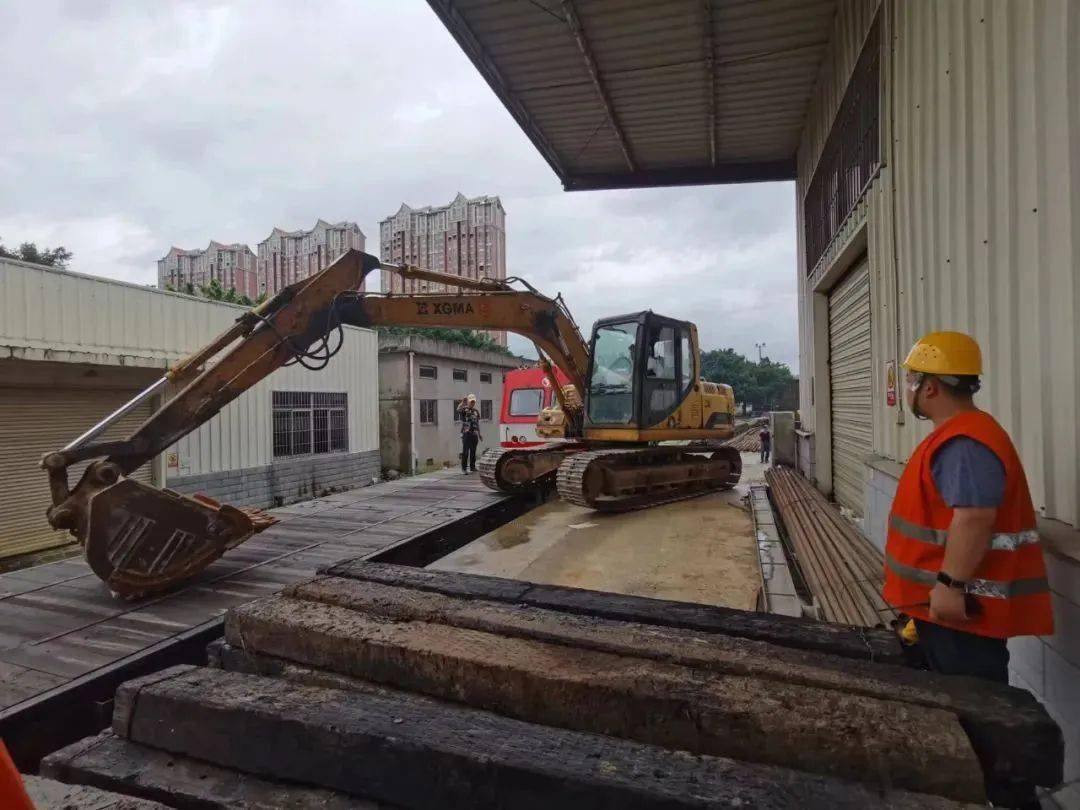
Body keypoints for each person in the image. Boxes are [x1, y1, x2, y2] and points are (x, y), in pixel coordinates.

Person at [883, 331, 1052, 805]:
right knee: (972, 720)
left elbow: (975, 516)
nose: (910, 390)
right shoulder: (965, 435)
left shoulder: (964, 442)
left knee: (985, 733)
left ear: (931, 387)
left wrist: (950, 586)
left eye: (913, 380)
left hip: (960, 614)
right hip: (944, 612)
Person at [458, 393, 481, 473]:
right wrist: (462, 402)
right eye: (471, 401)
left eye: (473, 402)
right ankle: (464, 468)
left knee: (473, 451)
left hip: (474, 433)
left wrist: (479, 433)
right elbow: (458, 409)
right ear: (468, 401)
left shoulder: (476, 411)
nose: (472, 403)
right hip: (466, 433)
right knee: (465, 451)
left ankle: (472, 467)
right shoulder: (464, 409)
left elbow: (477, 423)